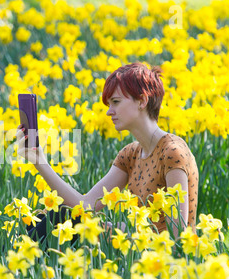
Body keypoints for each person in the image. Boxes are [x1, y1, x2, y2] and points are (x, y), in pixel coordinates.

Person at [16, 62, 199, 243]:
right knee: (52, 217)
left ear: (142, 101)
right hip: (131, 247)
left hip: (158, 260)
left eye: (116, 102)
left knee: (60, 220)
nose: (109, 112)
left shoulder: (173, 153)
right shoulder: (130, 155)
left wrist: (122, 232)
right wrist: (39, 162)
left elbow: (178, 239)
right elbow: (87, 206)